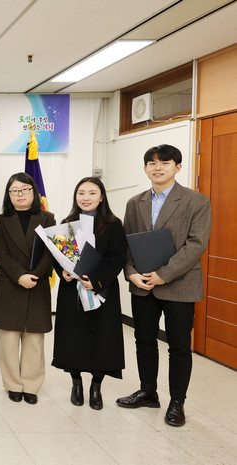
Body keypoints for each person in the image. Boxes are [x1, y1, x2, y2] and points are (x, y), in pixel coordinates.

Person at [117, 144, 211, 427]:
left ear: (178, 167)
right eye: (152, 163)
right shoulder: (135, 202)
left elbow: (196, 244)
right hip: (142, 285)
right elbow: (126, 243)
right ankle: (148, 392)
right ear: (145, 168)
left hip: (180, 284)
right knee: (144, 340)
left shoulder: (196, 201)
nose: (158, 168)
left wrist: (163, 274)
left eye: (165, 163)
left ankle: (177, 402)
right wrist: (131, 273)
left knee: (179, 346)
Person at [52, 177, 126, 410]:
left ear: (102, 197)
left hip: (102, 289)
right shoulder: (67, 223)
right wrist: (62, 272)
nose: (86, 198)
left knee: (101, 339)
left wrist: (96, 280)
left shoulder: (113, 224)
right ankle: (76, 384)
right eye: (81, 193)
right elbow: (57, 255)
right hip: (71, 290)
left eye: (92, 193)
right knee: (72, 338)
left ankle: (96, 386)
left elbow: (117, 258)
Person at [0, 173, 56, 405]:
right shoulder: (0, 220)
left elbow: (51, 252)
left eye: (24, 189)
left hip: (37, 283)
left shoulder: (48, 218)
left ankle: (31, 385)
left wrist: (34, 275)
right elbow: (1, 252)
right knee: (9, 339)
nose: (19, 194)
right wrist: (20, 276)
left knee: (34, 339)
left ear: (33, 192)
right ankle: (12, 384)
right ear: (8, 195)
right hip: (10, 282)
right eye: (14, 191)